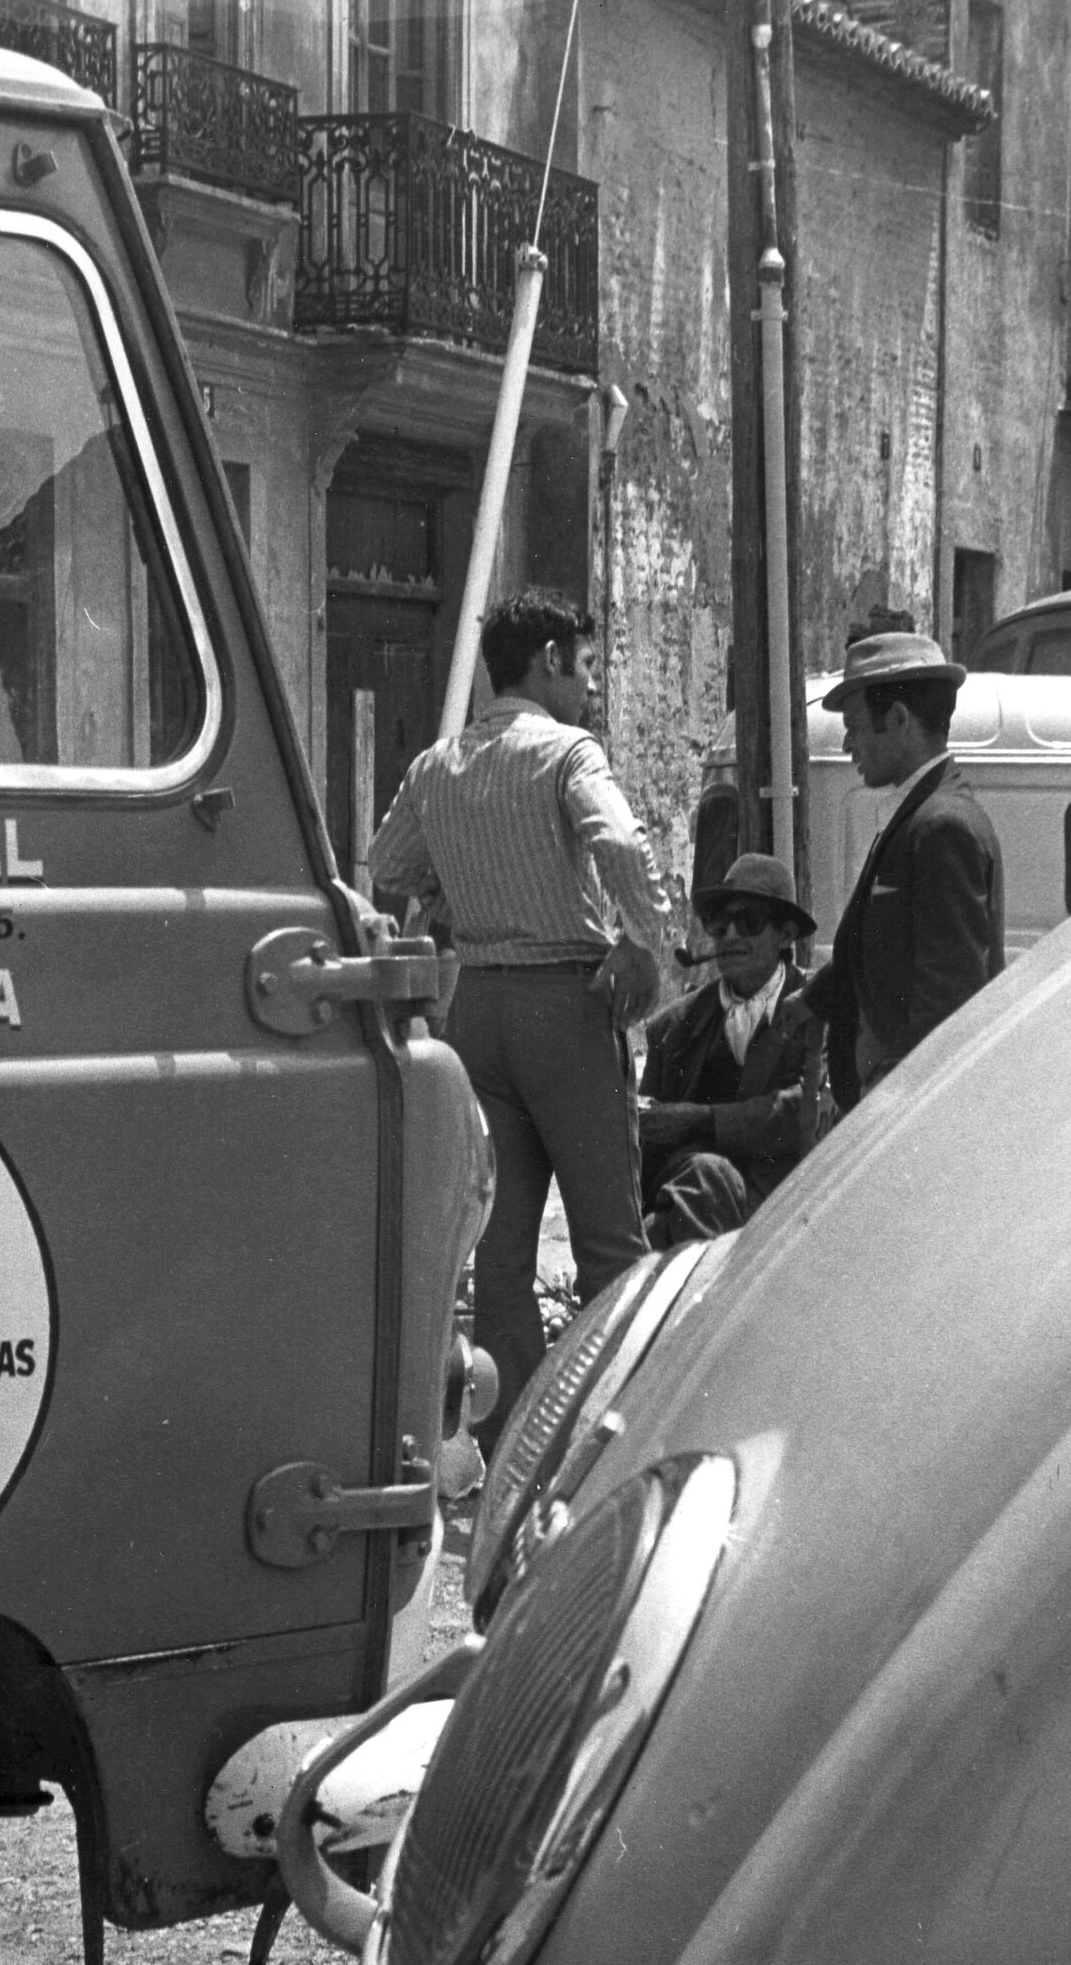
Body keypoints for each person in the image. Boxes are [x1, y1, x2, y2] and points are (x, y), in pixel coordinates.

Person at [368, 589, 671, 1438]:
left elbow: (389, 864)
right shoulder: (569, 752)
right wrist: (645, 941)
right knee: (609, 1239)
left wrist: (459, 890)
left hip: (480, 1012)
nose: (589, 688)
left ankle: (511, 1444)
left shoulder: (436, 765)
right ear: (548, 659)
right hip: (566, 1005)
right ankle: (620, 1428)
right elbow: (616, 842)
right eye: (582, 666)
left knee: (499, 1255)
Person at [795, 625, 1002, 1112]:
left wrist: (889, 1103)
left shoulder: (941, 825)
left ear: (899, 718)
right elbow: (884, 941)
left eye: (856, 726)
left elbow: (948, 998)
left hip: (905, 1113)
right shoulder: (922, 811)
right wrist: (817, 996)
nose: (849, 746)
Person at [638, 852, 824, 1246]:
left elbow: (807, 1108)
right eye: (720, 924)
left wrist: (703, 1119)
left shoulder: (820, 1008)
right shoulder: (671, 1030)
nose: (732, 936)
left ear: (786, 936)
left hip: (791, 1214)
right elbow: (645, 1146)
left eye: (751, 922)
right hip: (692, 1208)